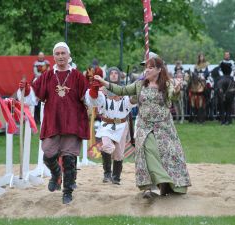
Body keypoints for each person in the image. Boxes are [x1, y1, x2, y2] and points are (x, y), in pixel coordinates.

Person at [93, 57, 191, 198]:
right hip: (144, 127)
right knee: (148, 152)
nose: (147, 70)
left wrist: (176, 90)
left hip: (164, 127)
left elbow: (173, 97)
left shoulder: (167, 84)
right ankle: (152, 186)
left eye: (151, 67)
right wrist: (104, 82)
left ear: (159, 69)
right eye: (147, 67)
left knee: (167, 155)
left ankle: (165, 185)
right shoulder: (139, 84)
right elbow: (122, 90)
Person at [19, 42, 89, 204]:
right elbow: (34, 96)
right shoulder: (47, 76)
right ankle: (56, 174)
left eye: (63, 53)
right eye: (57, 53)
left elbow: (88, 98)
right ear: (54, 56)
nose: (60, 56)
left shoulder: (78, 76)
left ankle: (67, 191)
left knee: (69, 159)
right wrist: (27, 89)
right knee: (48, 155)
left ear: (68, 55)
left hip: (73, 122)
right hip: (53, 122)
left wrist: (93, 91)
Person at [86, 67, 136, 185]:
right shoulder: (102, 91)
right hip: (106, 124)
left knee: (119, 153)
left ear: (119, 75)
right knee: (107, 146)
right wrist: (96, 90)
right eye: (111, 73)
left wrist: (134, 93)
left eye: (116, 73)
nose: (114, 75)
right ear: (108, 76)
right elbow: (95, 101)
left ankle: (116, 177)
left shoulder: (125, 91)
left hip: (122, 125)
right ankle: (107, 174)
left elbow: (131, 102)